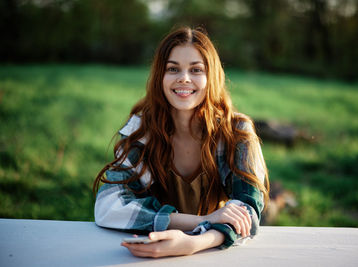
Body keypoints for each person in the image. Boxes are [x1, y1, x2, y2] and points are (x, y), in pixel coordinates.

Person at [93, 26, 269, 258]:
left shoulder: (236, 132)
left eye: (196, 69)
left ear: (211, 76)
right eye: (173, 68)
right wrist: (204, 220)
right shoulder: (142, 130)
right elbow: (108, 206)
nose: (184, 78)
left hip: (216, 255)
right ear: (160, 76)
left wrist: (195, 242)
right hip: (148, 249)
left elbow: (248, 210)